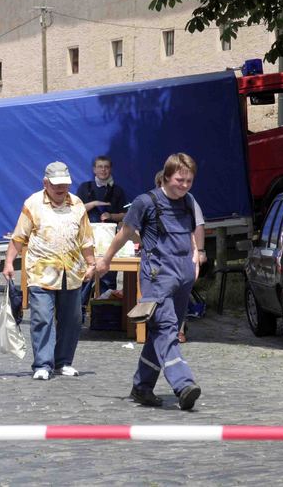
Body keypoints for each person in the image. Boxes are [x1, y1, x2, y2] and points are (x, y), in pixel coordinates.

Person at [96, 153, 202, 411]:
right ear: (166, 177)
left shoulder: (188, 201)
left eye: (189, 180)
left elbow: (192, 231)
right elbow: (125, 234)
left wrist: (197, 254)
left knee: (161, 333)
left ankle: (142, 387)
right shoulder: (146, 202)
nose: (185, 185)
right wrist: (106, 260)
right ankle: (183, 384)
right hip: (157, 276)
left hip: (183, 274)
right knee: (167, 329)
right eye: (180, 180)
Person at [2, 161, 96, 381]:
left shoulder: (77, 204)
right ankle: (43, 364)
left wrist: (91, 263)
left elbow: (86, 238)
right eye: (56, 185)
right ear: (45, 183)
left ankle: (63, 362)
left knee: (72, 319)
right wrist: (8, 263)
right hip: (41, 272)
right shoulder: (33, 204)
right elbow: (18, 237)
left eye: (65, 184)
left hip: (72, 272)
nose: (61, 189)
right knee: (43, 317)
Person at [154, 169, 206, 343]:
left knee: (181, 293)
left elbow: (198, 225)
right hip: (161, 257)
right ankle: (165, 329)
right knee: (165, 292)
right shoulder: (151, 201)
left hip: (184, 255)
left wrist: (199, 251)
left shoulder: (188, 200)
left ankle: (179, 329)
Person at [76, 155, 127, 307]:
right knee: (85, 274)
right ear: (94, 170)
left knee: (108, 276)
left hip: (108, 241)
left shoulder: (117, 191)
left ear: (110, 169)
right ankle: (80, 308)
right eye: (100, 166)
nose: (103, 170)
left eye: (106, 167)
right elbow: (75, 210)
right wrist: (93, 204)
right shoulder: (84, 188)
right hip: (87, 239)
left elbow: (125, 214)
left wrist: (111, 215)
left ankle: (106, 308)